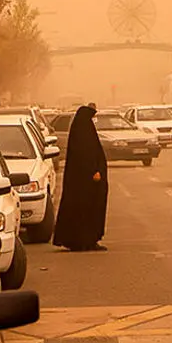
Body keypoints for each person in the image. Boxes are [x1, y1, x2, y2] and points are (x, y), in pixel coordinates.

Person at [53, 105, 109, 251]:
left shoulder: (81, 130)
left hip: (84, 182)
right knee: (84, 209)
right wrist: (94, 171)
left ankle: (88, 240)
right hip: (86, 182)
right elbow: (86, 155)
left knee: (88, 209)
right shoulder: (83, 133)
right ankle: (82, 241)